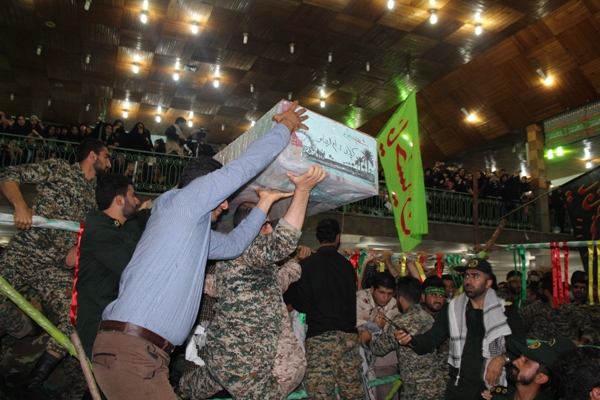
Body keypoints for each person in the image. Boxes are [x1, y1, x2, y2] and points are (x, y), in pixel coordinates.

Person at [91, 102, 308, 400]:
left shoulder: (187, 230)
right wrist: (285, 127)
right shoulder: (185, 202)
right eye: (222, 197)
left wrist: (265, 202)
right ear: (204, 187)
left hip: (141, 353)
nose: (224, 206)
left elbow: (233, 245)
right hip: (133, 352)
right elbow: (243, 168)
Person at [180, 165, 326, 400]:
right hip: (244, 364)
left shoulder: (231, 255)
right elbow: (283, 242)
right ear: (252, 228)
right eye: (266, 224)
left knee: (189, 388)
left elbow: (273, 279)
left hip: (226, 357)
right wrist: (303, 191)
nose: (270, 229)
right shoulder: (247, 249)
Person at [0, 138, 111, 396]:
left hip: (55, 267)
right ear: (93, 155)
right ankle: (21, 327)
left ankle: (33, 382)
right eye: (106, 157)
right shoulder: (60, 169)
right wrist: (21, 206)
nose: (108, 163)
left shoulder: (93, 195)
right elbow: (8, 174)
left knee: (76, 316)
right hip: (26, 252)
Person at [395, 258, 526, 400]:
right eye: (467, 275)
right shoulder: (452, 310)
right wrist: (411, 340)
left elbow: (519, 346)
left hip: (494, 388)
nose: (468, 280)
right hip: (460, 387)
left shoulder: (505, 310)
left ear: (488, 283)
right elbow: (432, 339)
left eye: (475, 276)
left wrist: (502, 358)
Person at [76, 174, 152, 359]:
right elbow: (133, 267)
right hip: (98, 326)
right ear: (119, 200)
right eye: (132, 196)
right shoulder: (99, 231)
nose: (137, 201)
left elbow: (158, 212)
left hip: (116, 322)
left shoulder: (122, 224)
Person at [288, 218, 364, 399]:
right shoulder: (347, 266)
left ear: (317, 238)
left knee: (320, 394)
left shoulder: (307, 265)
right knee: (352, 393)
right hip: (349, 340)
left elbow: (303, 305)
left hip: (321, 340)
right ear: (338, 237)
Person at [368, 276, 445, 400]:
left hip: (415, 391)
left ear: (401, 299)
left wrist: (368, 337)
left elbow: (378, 348)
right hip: (436, 386)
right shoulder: (429, 318)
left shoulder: (401, 322)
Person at [482, 336, 576, 400]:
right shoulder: (498, 395)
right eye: (520, 357)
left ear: (540, 378)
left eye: (526, 361)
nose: (515, 362)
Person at [356, 270, 400, 400]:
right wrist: (378, 328)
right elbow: (361, 336)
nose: (385, 298)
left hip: (383, 359)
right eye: (381, 292)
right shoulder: (359, 300)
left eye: (389, 294)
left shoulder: (394, 304)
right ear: (372, 289)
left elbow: (391, 336)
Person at [519, 274, 594, 344]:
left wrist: (580, 343)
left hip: (564, 350)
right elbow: (518, 321)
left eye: (540, 289)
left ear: (546, 292)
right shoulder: (535, 307)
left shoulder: (572, 311)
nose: (538, 291)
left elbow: (589, 331)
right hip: (538, 349)